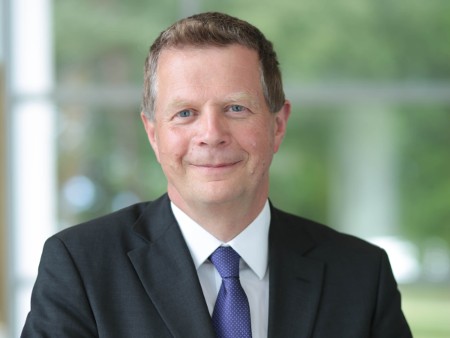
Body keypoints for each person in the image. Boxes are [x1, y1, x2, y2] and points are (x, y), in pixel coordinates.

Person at [22, 12, 412, 338]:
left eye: (236, 109)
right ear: (154, 134)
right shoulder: (80, 267)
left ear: (277, 125)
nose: (211, 134)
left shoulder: (361, 275)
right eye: (185, 113)